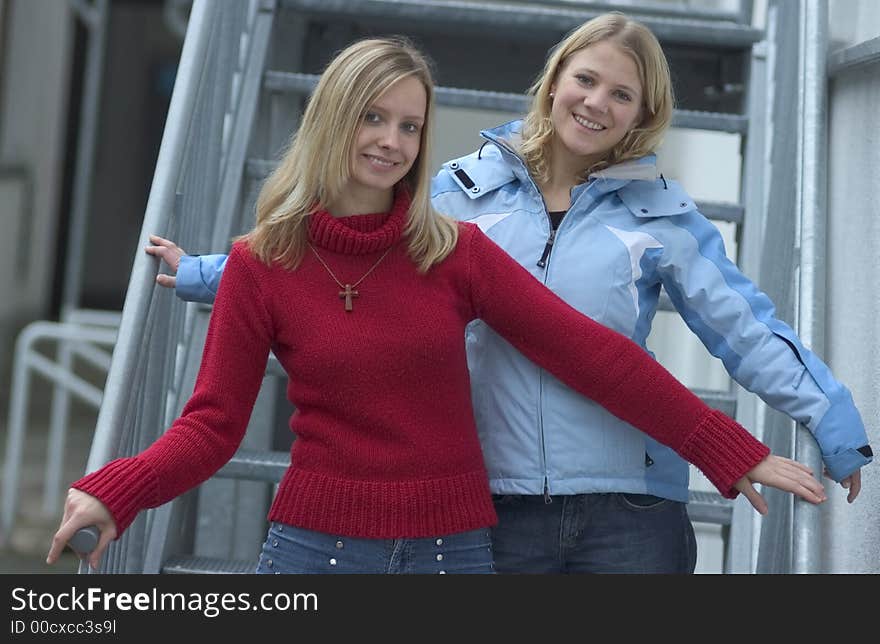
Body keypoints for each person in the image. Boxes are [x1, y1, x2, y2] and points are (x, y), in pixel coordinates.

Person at [49, 34, 833, 576]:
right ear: (332, 120)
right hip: (315, 548)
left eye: (410, 125)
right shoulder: (263, 265)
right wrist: (119, 489)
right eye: (372, 117)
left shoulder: (450, 251)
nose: (391, 141)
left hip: (451, 553)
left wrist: (726, 448)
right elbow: (213, 426)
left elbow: (593, 355)